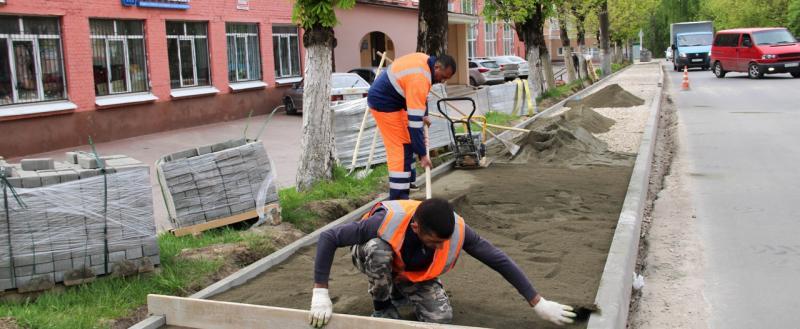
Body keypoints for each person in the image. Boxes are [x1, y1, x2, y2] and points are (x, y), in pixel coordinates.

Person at [308, 198, 576, 328]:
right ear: (416, 227)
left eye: (443, 242)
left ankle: (400, 289)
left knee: (441, 318)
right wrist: (321, 292)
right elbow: (329, 237)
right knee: (379, 251)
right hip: (371, 255)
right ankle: (383, 306)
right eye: (434, 241)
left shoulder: (458, 231)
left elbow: (498, 260)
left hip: (412, 272)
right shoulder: (385, 223)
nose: (441, 247)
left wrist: (537, 302)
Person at [367, 53, 456, 200]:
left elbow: (420, 96)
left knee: (408, 142)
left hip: (396, 101)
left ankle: (408, 183)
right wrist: (423, 155)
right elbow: (415, 124)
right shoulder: (421, 77)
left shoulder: (426, 64)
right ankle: (398, 199)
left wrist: (424, 113)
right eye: (443, 77)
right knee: (400, 148)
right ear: (437, 66)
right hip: (384, 103)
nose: (443, 81)